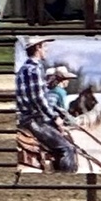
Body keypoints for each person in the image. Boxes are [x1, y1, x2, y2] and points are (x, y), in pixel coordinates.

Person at [15, 36, 78, 173]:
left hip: (26, 117)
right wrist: (54, 117)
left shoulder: (23, 69)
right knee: (67, 148)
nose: (46, 50)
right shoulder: (34, 69)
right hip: (33, 120)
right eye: (45, 47)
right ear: (38, 48)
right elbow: (38, 98)